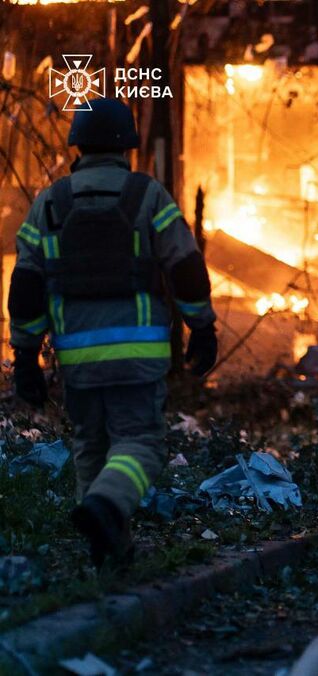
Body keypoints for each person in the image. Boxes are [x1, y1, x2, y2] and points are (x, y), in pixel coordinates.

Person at [8, 98, 217, 568]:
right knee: (140, 443)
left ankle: (110, 549)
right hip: (137, 355)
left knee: (92, 446)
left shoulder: (51, 202)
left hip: (77, 358)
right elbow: (185, 265)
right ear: (127, 146)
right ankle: (105, 506)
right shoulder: (146, 196)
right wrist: (201, 325)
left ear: (77, 145)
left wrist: (25, 356)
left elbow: (26, 283)